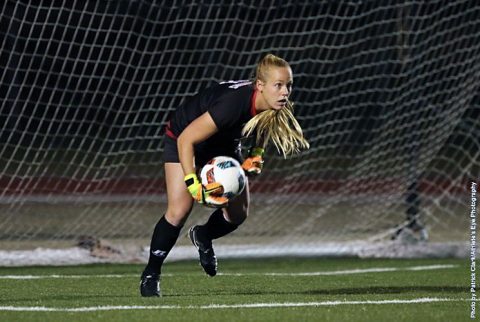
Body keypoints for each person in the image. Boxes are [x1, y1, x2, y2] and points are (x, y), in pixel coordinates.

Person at [140, 53, 309, 297]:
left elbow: (262, 124)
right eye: (279, 85)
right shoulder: (233, 104)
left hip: (223, 142)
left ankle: (203, 235)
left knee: (238, 214)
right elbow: (187, 139)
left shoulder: (272, 103)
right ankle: (151, 274)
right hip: (184, 137)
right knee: (179, 210)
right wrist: (193, 184)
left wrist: (257, 154)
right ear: (260, 86)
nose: (285, 92)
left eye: (288, 85)